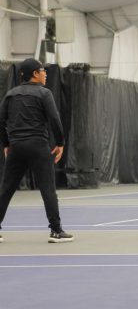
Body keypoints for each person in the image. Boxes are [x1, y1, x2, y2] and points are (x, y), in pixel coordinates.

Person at [0, 58, 73, 243]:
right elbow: (54, 119)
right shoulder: (44, 94)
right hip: (38, 146)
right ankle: (56, 231)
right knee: (48, 189)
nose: (45, 73)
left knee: (6, 189)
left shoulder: (10, 95)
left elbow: (1, 122)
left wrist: (7, 144)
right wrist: (61, 143)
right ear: (35, 74)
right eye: (43, 70)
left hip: (16, 148)